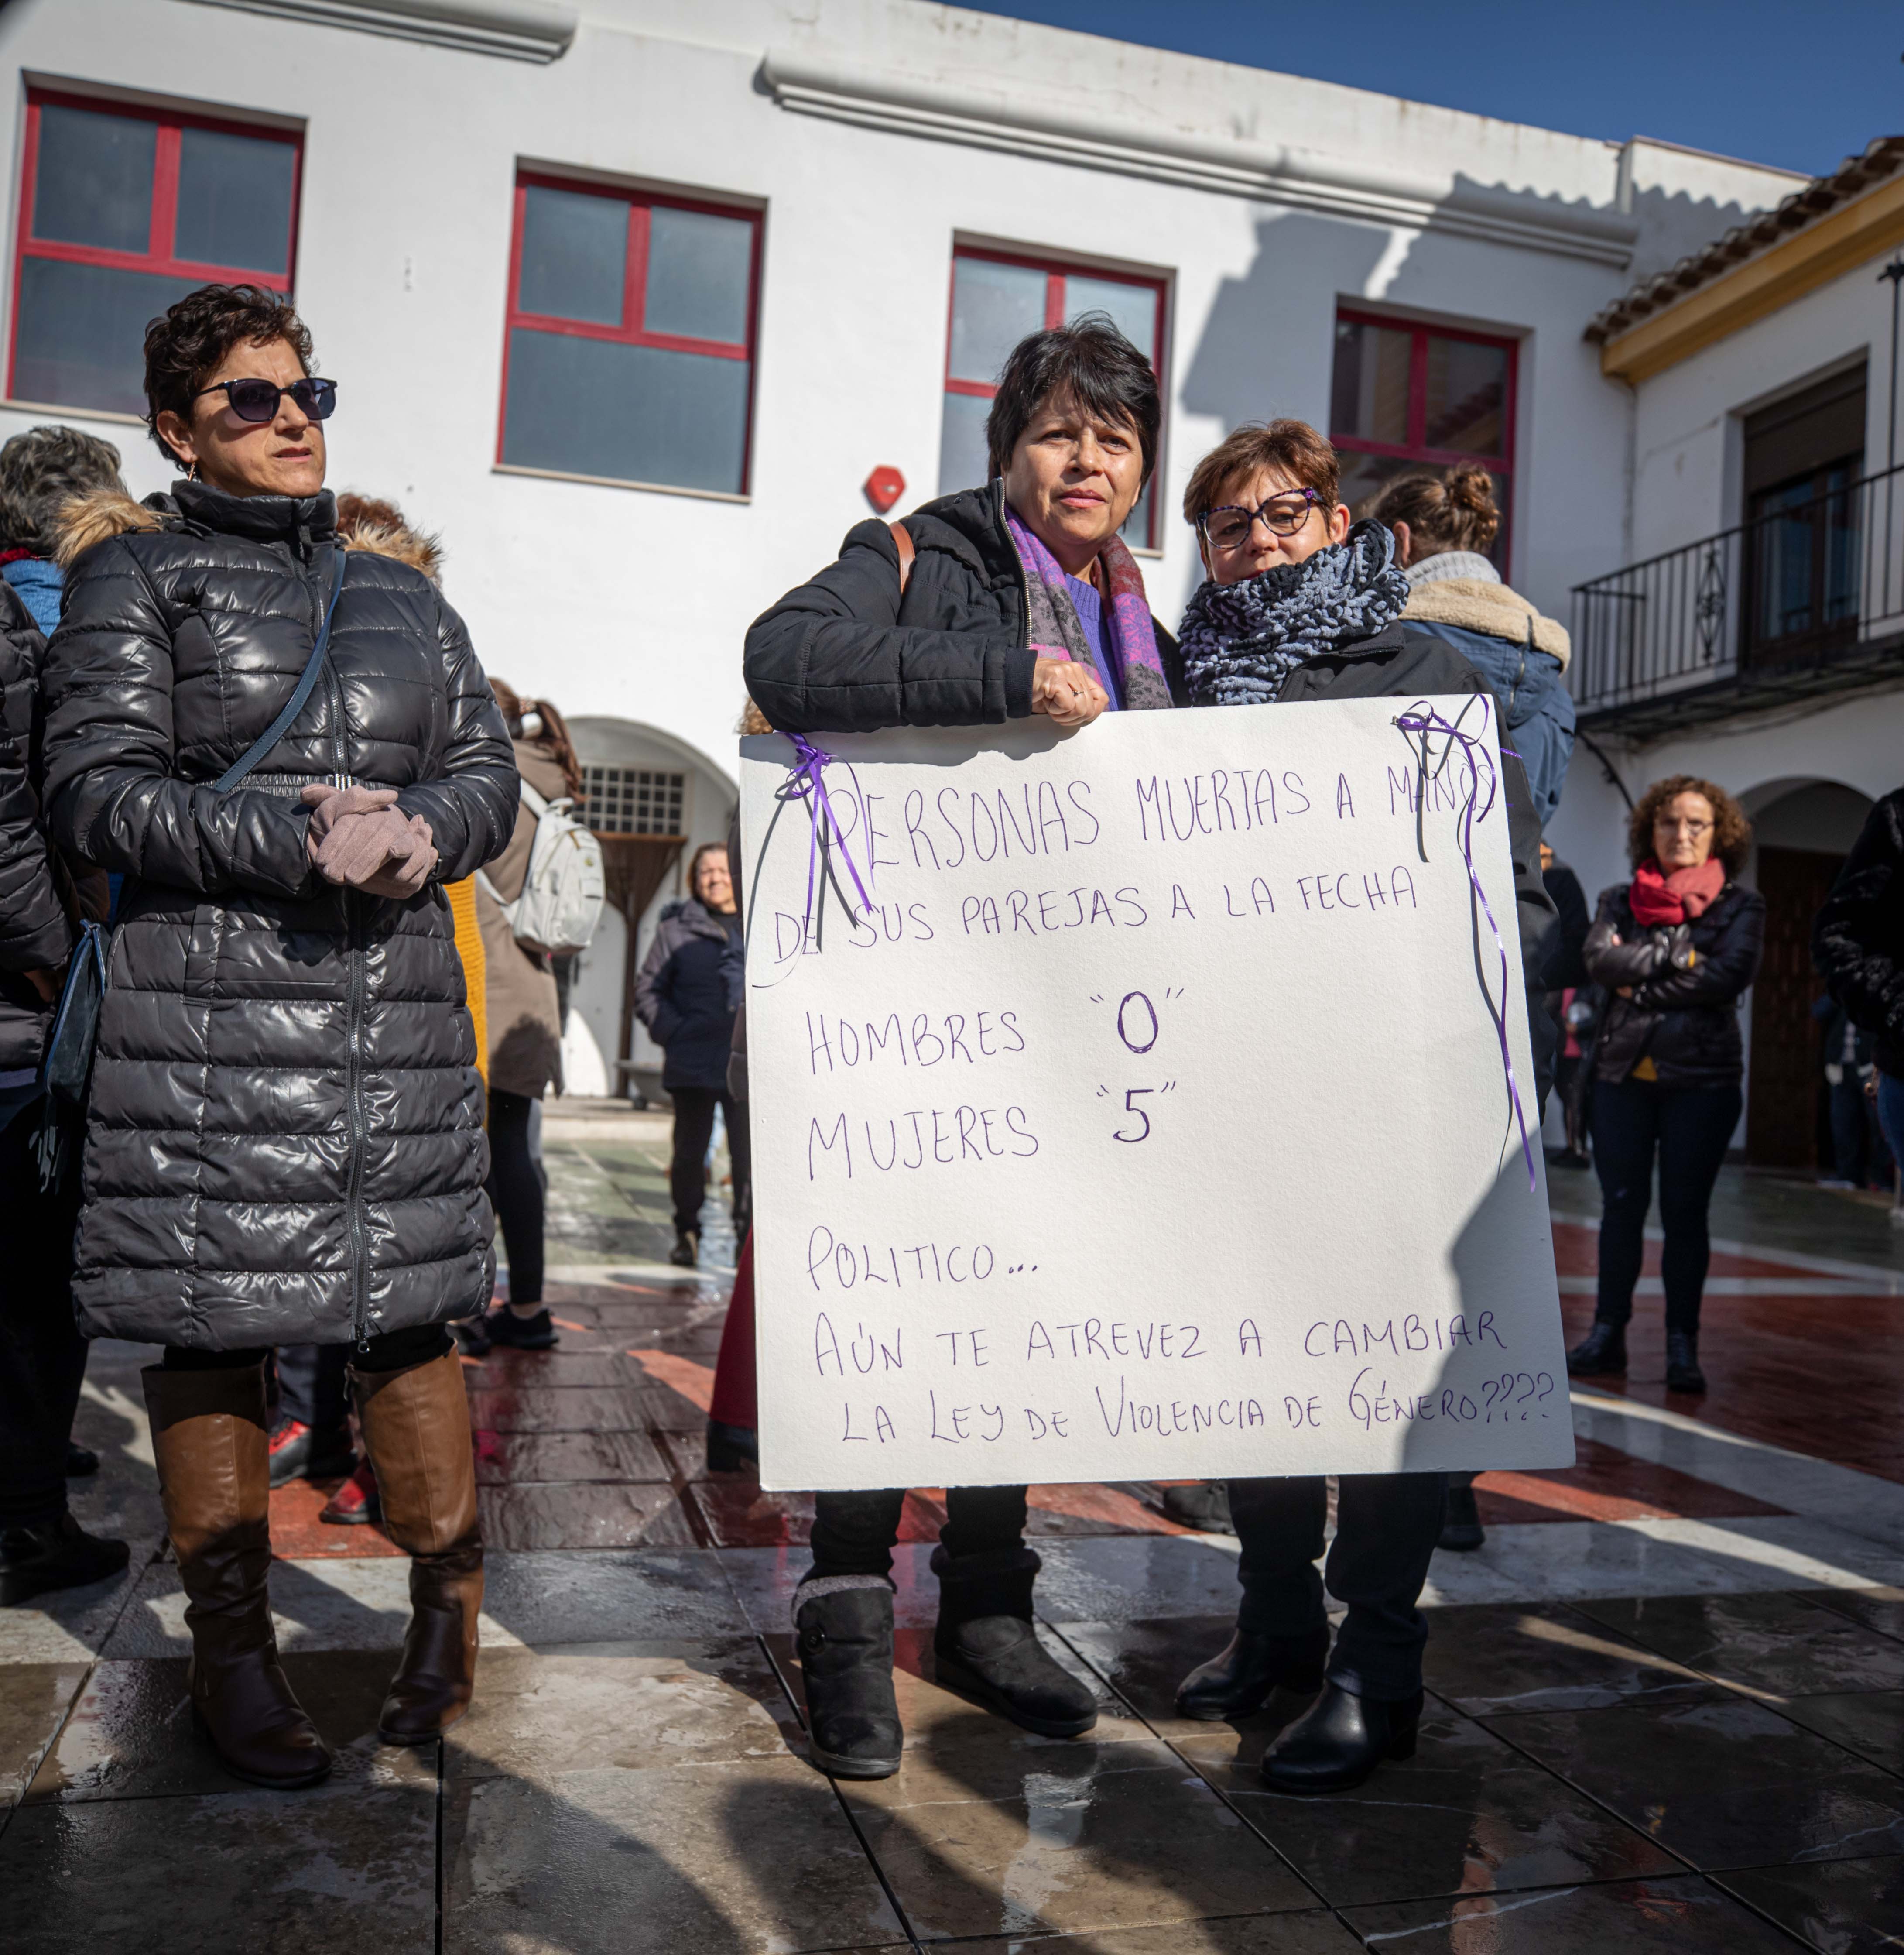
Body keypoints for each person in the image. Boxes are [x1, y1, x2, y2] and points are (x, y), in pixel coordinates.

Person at [40, 283, 517, 1788]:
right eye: (249, 399)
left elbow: (487, 775)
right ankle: (231, 1657)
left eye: (306, 391)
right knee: (211, 1324)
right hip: (212, 1035)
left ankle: (447, 1616)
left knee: (410, 1312)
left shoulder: (410, 598)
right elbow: (96, 795)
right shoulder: (138, 583)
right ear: (178, 429)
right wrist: (289, 837)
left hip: (393, 1021)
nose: (292, 415)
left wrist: (416, 830)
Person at [745, 314, 1185, 1780]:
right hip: (910, 1018)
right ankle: (847, 1622)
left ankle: (990, 1616)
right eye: (1057, 432)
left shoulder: (1144, 622)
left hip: (1072, 1033)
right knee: (893, 1312)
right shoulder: (918, 554)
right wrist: (1003, 674)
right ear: (1007, 450)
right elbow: (784, 659)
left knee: (1018, 1329)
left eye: (1113, 439)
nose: (1084, 460)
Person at [1170, 418, 1556, 1795]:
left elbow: (1515, 890)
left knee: (1386, 1383)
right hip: (1234, 1089)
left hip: (1384, 1092)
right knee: (1257, 1372)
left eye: (1281, 514)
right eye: (1228, 524)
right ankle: (1272, 1620)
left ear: (1334, 526)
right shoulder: (1172, 690)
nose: (1257, 540)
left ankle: (1372, 1666)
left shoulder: (1421, 670)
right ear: (1203, 552)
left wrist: (1468, 993)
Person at [0, 427, 130, 1605]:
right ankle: (30, 1520)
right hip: (37, 1006)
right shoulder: (64, 622)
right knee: (41, 1276)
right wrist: (56, 960)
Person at [1568, 776, 1763, 1396]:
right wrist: (1680, 957)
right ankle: (1607, 1333)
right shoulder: (1618, 899)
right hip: (1621, 1076)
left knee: (1686, 1215)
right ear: (1649, 830)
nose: (1681, 834)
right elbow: (1599, 962)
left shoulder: (1741, 907)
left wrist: (1642, 971)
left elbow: (1727, 976)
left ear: (1719, 835)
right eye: (1668, 822)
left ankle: (1683, 1344)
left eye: (1696, 824)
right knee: (1620, 1210)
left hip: (1701, 1084)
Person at [459, 676, 579, 1352]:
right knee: (514, 1157)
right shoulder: (549, 779)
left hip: (489, 987)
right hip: (533, 986)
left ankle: (466, 1310)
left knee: (479, 1159)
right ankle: (527, 1308)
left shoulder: (486, 775)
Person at [1369, 467, 1576, 827]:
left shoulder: (1381, 649)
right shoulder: (1554, 687)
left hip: (1392, 881)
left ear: (1401, 542)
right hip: (1501, 884)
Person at [635, 841, 748, 1269]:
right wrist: (675, 1031)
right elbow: (647, 990)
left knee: (748, 1160)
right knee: (688, 1157)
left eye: (722, 869)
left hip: (745, 1066)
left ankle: (745, 1241)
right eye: (705, 871)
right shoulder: (674, 930)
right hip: (693, 1062)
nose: (715, 878)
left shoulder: (758, 920)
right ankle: (686, 1232)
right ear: (693, 880)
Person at [1815, 787, 1904, 1225]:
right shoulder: (1897, 816)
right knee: (1846, 1121)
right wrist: (1896, 1010)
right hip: (1887, 1065)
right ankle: (1854, 1173)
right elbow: (1840, 937)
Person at [1811, 995, 1891, 1190]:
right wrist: (1843, 989)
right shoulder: (1841, 989)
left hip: (1871, 1066)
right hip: (1841, 1067)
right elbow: (1819, 1012)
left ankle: (1882, 1179)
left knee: (1878, 1124)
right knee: (1843, 1123)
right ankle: (1848, 1175)